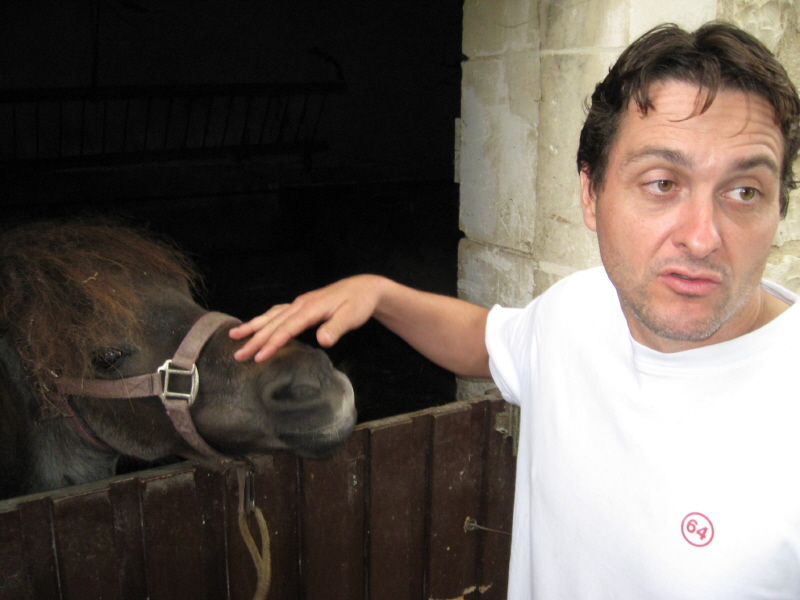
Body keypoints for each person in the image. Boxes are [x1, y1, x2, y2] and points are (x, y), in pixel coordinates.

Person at [230, 22, 800, 598]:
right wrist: (379, 294)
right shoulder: (577, 310)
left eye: (744, 191)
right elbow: (486, 341)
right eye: (662, 183)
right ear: (591, 194)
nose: (702, 238)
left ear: (778, 206)